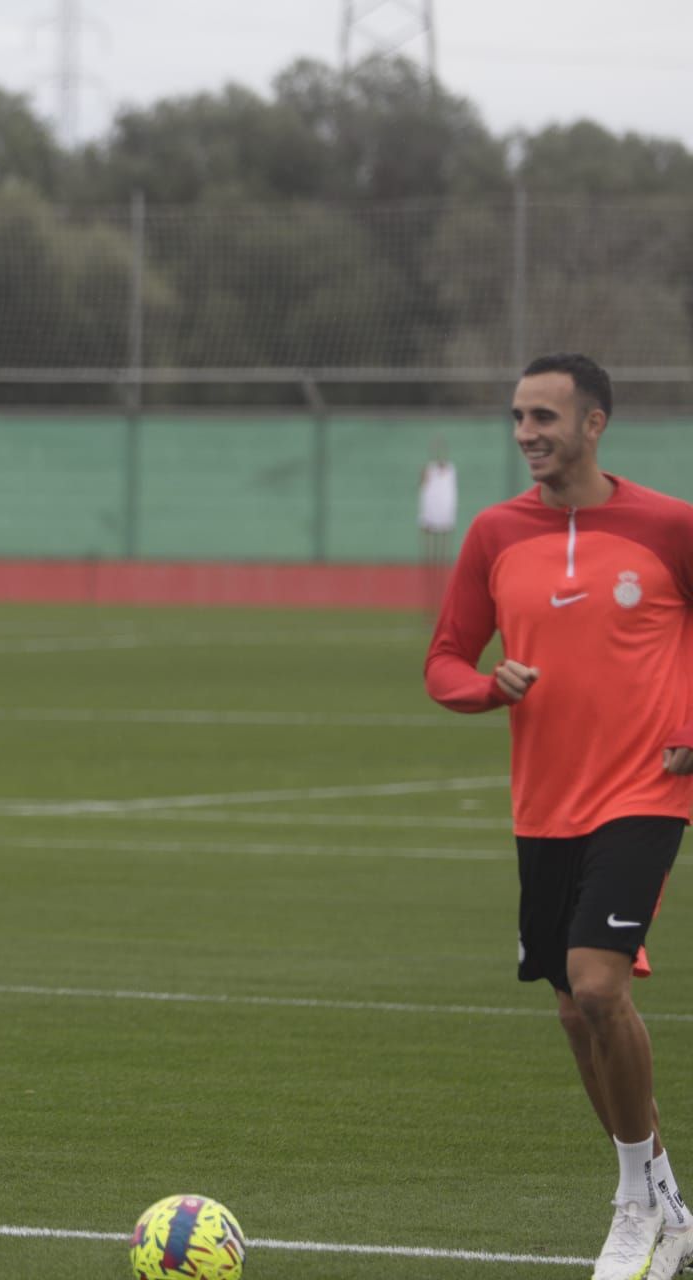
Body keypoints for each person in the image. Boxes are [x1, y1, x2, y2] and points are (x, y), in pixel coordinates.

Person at [425, 353, 693, 1280]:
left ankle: (632, 1205)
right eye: (517, 418)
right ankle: (669, 1202)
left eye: (544, 417)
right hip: (544, 802)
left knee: (597, 985)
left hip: (645, 789)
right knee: (576, 1015)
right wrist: (487, 687)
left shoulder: (669, 526)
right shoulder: (495, 535)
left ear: (595, 423)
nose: (527, 434)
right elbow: (444, 662)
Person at [418, 436, 457, 610]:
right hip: (431, 516)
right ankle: (430, 605)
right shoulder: (428, 470)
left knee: (443, 563)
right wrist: (425, 517)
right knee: (431, 563)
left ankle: (442, 604)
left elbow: (451, 495)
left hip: (445, 517)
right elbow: (424, 492)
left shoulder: (451, 470)